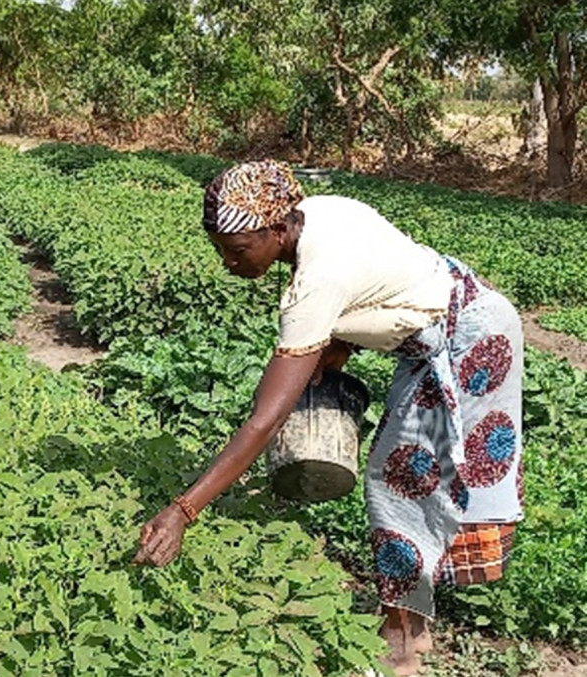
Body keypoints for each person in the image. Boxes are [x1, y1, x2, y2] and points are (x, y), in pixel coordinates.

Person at [132, 161, 524, 676]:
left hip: (466, 342)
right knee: (405, 479)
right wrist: (338, 342)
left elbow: (264, 421)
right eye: (221, 250)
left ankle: (402, 645)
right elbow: (382, 274)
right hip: (463, 316)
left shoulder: (317, 281)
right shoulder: (315, 214)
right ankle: (410, 625)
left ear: (276, 229)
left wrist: (183, 510)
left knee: (401, 485)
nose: (229, 263)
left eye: (238, 249)